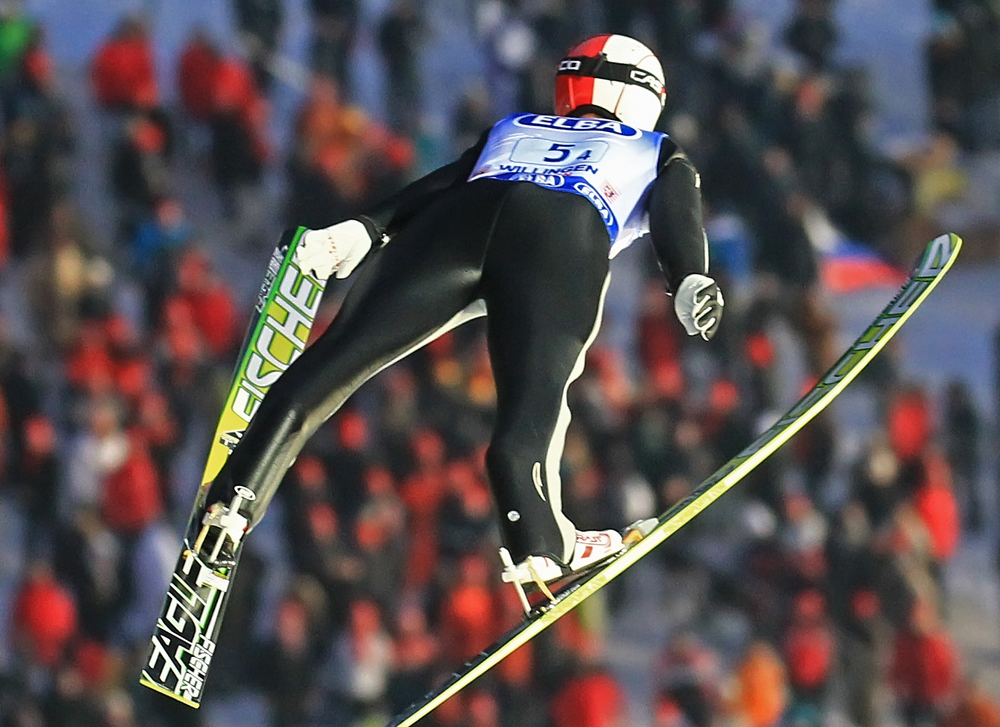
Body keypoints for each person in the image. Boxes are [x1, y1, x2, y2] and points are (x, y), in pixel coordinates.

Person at [193, 35, 723, 614]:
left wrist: (363, 229)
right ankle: (542, 548)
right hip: (560, 232)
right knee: (534, 415)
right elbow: (677, 210)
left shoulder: (515, 125)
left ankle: (234, 499)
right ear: (643, 95)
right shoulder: (656, 146)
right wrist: (690, 277)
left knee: (332, 364)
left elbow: (444, 183)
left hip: (455, 223)